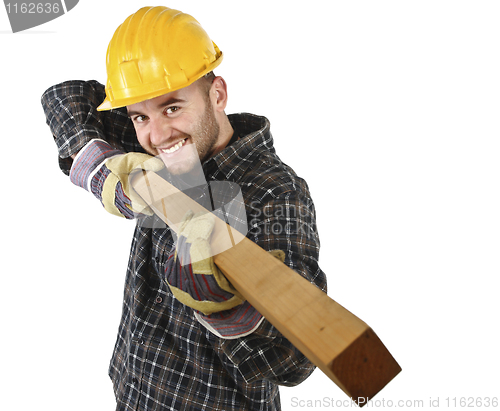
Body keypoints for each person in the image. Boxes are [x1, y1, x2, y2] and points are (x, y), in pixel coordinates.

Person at [41, 6, 327, 411]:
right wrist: (107, 176)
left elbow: (296, 359)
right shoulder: (161, 147)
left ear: (218, 94)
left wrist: (226, 306)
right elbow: (62, 98)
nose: (157, 134)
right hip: (134, 392)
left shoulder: (274, 192)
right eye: (139, 115)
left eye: (172, 107)